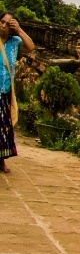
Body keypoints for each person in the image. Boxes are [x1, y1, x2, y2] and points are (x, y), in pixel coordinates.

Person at [0, 13, 36, 173]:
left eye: (8, 24)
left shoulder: (14, 43)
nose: (3, 26)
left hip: (5, 90)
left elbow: (30, 47)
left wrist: (20, 30)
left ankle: (1, 160)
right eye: (2, 22)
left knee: (3, 128)